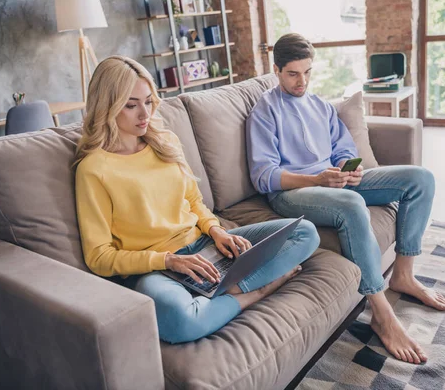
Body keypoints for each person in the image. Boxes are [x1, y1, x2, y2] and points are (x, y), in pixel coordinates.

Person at [74, 55, 320, 344]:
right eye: (131, 105)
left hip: (204, 245)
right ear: (107, 106)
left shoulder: (165, 143)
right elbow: (99, 257)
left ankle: (217, 294)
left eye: (149, 101)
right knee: (179, 323)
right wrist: (167, 261)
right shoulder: (93, 169)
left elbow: (194, 201)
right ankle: (255, 292)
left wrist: (216, 231)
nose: (144, 114)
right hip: (159, 268)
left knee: (305, 233)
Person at [246, 34, 445, 364]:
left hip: (333, 182)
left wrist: (346, 168)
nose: (303, 81)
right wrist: (317, 178)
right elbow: (263, 175)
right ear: (277, 70)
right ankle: (381, 313)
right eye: (293, 74)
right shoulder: (265, 112)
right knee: (354, 205)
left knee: (420, 179)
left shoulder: (320, 106)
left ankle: (404, 274)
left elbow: (342, 147)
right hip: (292, 193)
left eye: (308, 72)